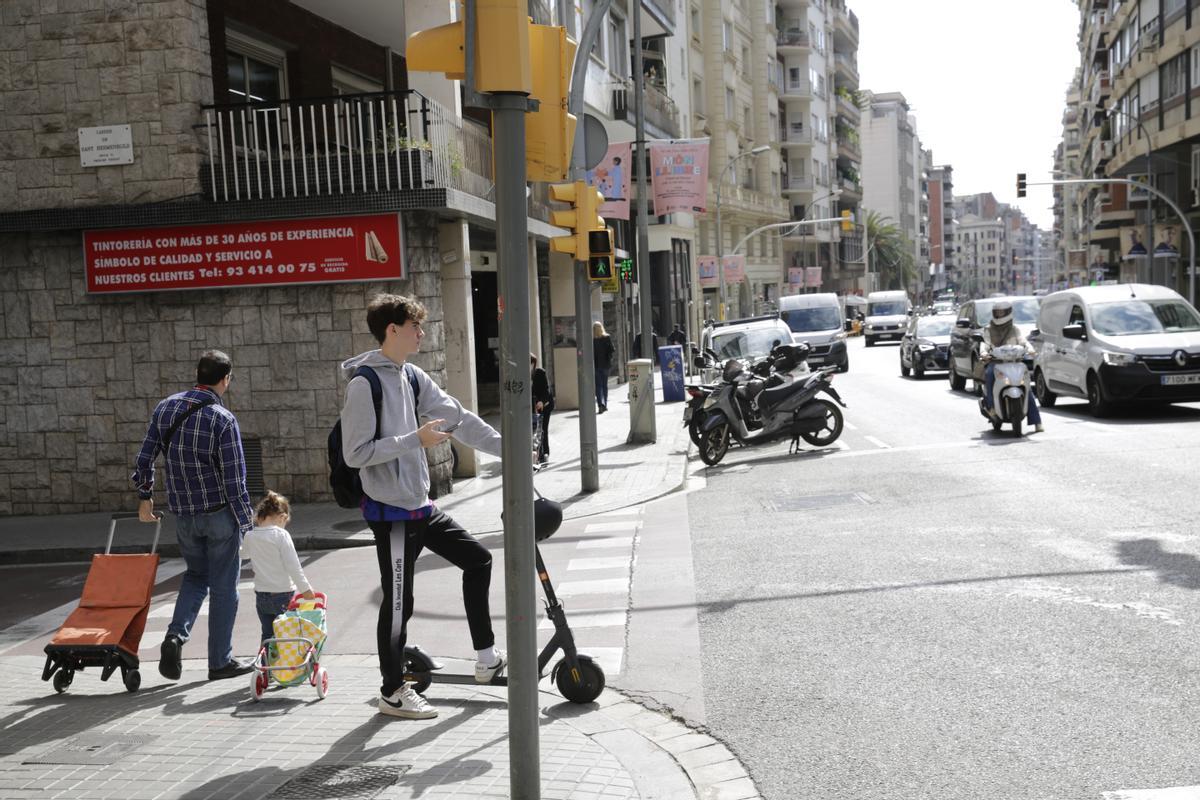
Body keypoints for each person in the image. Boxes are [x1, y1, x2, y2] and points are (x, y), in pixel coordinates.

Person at [340, 293, 504, 720]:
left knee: (478, 560)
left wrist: (510, 449)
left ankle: (486, 658)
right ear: (392, 329)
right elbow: (355, 454)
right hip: (390, 514)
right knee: (399, 604)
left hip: (420, 505)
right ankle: (392, 691)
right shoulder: (365, 384)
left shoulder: (410, 376)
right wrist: (416, 439)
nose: (422, 332)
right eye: (414, 325)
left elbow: (458, 416)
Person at [131, 350, 256, 682]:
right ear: (225, 379)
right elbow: (235, 481)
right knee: (225, 587)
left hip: (183, 516)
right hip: (218, 516)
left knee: (196, 577)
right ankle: (219, 662)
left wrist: (145, 498)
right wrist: (248, 524)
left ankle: (174, 637)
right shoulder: (222, 419)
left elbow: (144, 458)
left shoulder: (166, 407)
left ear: (198, 374)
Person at [241, 491, 315, 644]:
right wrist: (306, 590)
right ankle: (287, 665)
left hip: (261, 595)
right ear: (282, 517)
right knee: (287, 634)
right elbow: (293, 566)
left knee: (267, 634)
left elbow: (243, 555)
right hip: (283, 594)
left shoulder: (250, 536)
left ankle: (266, 665)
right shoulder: (281, 535)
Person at [980, 300, 1044, 433]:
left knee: (1026, 387)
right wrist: (984, 353)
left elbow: (1023, 341)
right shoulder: (988, 329)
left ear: (1008, 312)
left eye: (1001, 312)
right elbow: (985, 343)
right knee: (989, 374)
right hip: (996, 362)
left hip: (1014, 363)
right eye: (997, 312)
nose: (999, 315)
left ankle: (1037, 421)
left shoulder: (1015, 329)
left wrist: (1030, 349)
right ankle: (991, 408)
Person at [531, 353, 554, 464]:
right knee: (533, 430)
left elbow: (547, 390)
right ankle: (535, 452)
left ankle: (544, 454)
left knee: (542, 429)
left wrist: (541, 401)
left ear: (532, 363)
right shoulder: (520, 374)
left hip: (544, 406)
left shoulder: (540, 372)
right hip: (531, 407)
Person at [593, 321, 615, 413]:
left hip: (597, 365)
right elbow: (612, 350)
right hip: (605, 365)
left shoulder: (593, 340)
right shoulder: (607, 337)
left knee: (598, 386)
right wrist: (609, 358)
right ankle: (604, 404)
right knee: (604, 385)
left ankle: (600, 405)